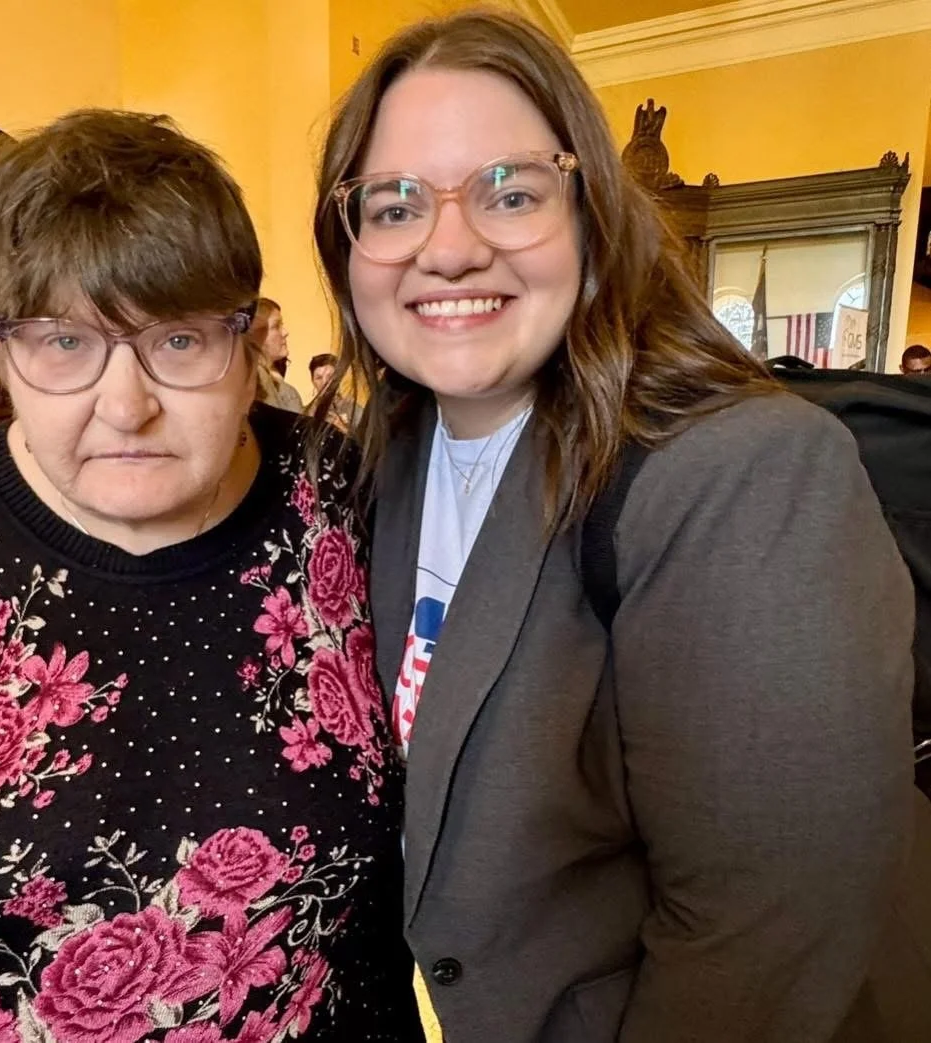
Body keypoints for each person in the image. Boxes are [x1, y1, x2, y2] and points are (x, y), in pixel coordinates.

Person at [313, 10, 931, 1042]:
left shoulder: (737, 470)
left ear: (590, 215)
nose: (449, 247)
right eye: (393, 203)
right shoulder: (388, 457)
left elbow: (761, 942)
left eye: (509, 192)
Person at [0, 109, 424, 1043]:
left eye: (177, 340)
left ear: (250, 342)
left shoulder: (341, 499)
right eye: (63, 343)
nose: (126, 405)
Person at [252, 297, 305, 412]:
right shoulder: (258, 377)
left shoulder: (269, 377)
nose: (285, 332)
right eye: (276, 326)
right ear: (256, 335)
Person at [308, 353, 363, 431]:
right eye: (319, 378)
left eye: (329, 376)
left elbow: (369, 441)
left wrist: (343, 429)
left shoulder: (353, 409)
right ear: (313, 381)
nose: (324, 382)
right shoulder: (307, 413)